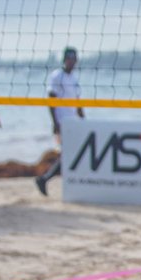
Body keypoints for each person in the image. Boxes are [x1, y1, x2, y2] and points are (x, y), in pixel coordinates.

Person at [35, 47, 86, 196]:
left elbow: (78, 102)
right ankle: (45, 179)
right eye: (69, 58)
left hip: (73, 121)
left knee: (72, 153)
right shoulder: (57, 76)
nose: (72, 61)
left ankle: (46, 179)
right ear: (64, 59)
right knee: (69, 153)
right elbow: (51, 99)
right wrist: (55, 123)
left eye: (74, 58)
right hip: (62, 122)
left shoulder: (74, 78)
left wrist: (84, 121)